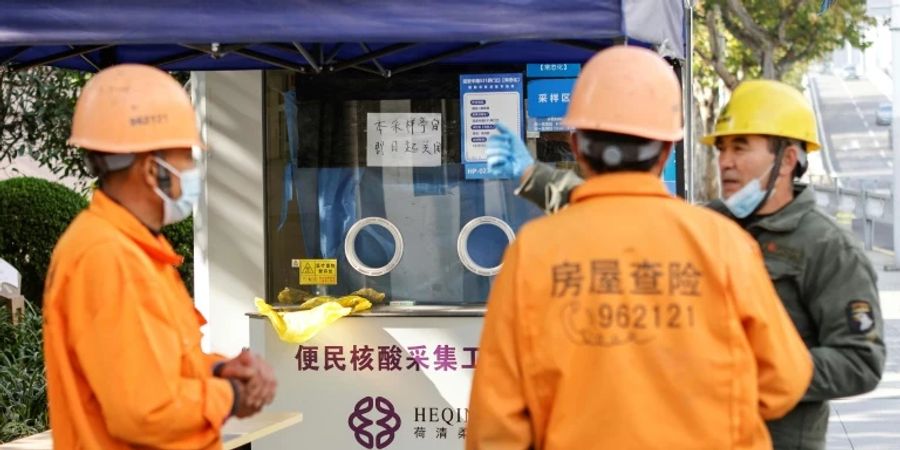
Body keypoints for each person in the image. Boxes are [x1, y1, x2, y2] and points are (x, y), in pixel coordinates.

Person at [488, 77, 886, 450]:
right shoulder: (712, 225)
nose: (725, 162)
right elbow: (624, 212)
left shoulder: (829, 249)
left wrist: (742, 372)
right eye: (722, 148)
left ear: (787, 158)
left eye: (741, 146)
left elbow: (860, 361)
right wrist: (532, 176)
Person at [42, 64, 277, 449]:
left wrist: (219, 369)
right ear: (154, 170)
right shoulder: (106, 255)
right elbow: (144, 411)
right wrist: (231, 395)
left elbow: (159, 367)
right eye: (186, 156)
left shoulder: (133, 249)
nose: (195, 170)